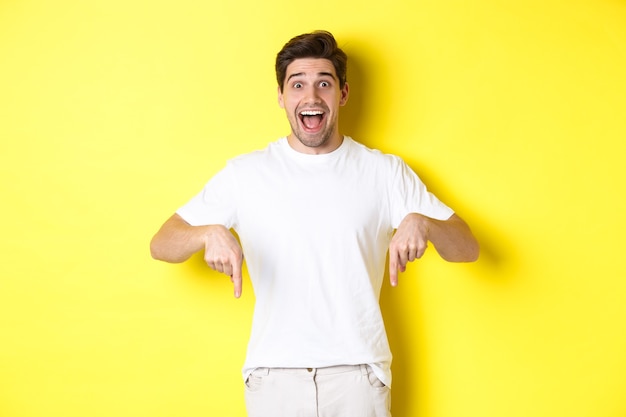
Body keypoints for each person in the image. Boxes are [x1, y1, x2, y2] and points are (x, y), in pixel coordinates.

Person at [150, 30, 479, 417]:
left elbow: (467, 248)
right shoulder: (245, 174)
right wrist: (208, 232)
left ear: (342, 94)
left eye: (324, 83)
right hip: (274, 378)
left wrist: (423, 222)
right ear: (281, 97)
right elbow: (162, 243)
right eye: (298, 84)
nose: (311, 97)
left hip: (358, 376)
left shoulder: (384, 172)